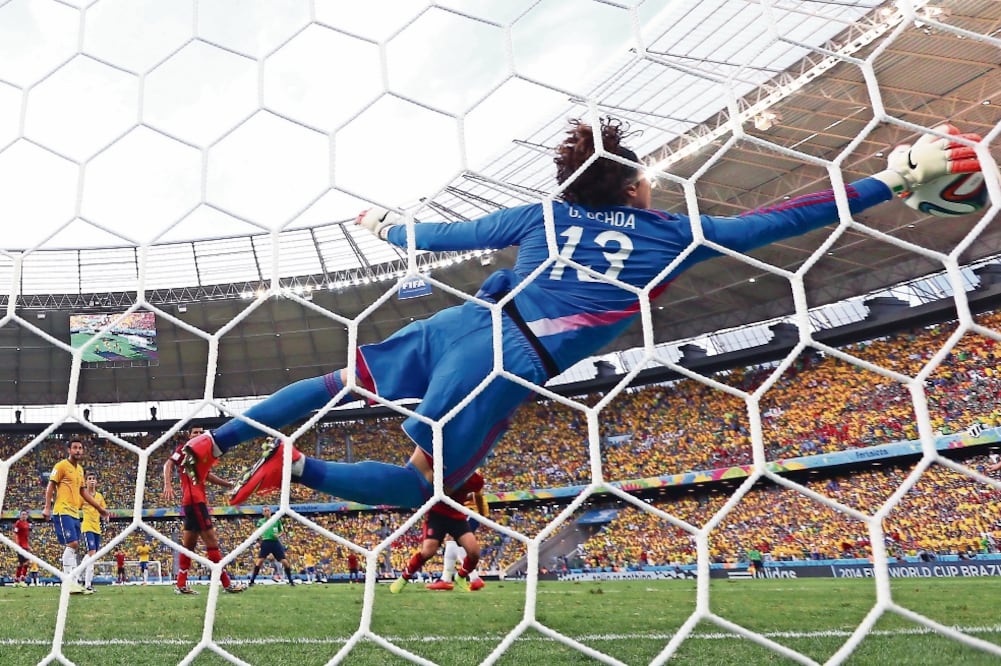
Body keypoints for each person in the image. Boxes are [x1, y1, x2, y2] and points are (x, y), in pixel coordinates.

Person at [180, 119, 983, 509]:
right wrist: (890, 179)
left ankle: (218, 440)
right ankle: (305, 469)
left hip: (459, 325)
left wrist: (380, 226)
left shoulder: (541, 218)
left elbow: (432, 235)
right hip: (508, 358)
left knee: (337, 380)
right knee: (428, 488)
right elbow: (782, 222)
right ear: (632, 186)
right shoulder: (672, 235)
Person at [162, 427, 246, 595]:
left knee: (189, 546)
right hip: (196, 502)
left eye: (201, 433)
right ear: (189, 436)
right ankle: (226, 583)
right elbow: (169, 463)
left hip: (192, 503)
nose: (198, 435)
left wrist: (228, 484)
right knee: (212, 543)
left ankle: (181, 584)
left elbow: (207, 476)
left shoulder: (201, 455)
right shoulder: (185, 449)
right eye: (195, 433)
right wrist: (168, 484)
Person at [390, 470, 486, 593]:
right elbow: (423, 483)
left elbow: (477, 494)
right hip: (436, 515)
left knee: (474, 552)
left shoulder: (474, 478)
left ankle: (461, 576)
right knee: (428, 551)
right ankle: (403, 578)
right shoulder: (442, 470)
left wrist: (482, 516)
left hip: (457, 517)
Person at [42, 438, 110, 594]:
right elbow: (51, 485)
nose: (78, 450)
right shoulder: (60, 466)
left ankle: (73, 582)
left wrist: (100, 508)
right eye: (75, 448)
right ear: (69, 450)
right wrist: (47, 507)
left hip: (73, 512)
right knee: (72, 544)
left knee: (75, 546)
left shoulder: (80, 470)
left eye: (80, 448)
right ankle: (69, 582)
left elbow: (83, 492)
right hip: (62, 510)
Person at [428, 483, 489, 591]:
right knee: (451, 540)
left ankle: (473, 579)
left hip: (470, 511)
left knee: (457, 540)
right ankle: (446, 579)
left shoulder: (467, 474)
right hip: (468, 512)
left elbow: (474, 494)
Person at [247, 506, 295, 586]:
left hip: (275, 542)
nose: (267, 512)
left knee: (285, 562)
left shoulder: (276, 520)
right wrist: (259, 541)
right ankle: (252, 581)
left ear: (270, 511)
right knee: (259, 562)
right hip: (266, 542)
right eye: (265, 511)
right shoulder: (261, 521)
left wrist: (278, 535)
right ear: (263, 513)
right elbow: (257, 532)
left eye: (268, 510)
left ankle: (291, 581)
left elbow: (282, 531)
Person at [80, 472, 107, 593]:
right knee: (92, 555)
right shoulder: (82, 495)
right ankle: (87, 584)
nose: (91, 481)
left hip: (97, 528)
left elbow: (103, 510)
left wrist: (106, 516)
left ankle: (75, 575)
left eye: (93, 479)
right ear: (85, 482)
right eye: (89, 479)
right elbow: (75, 507)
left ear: (97, 482)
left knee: (91, 555)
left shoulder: (100, 496)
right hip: (87, 527)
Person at [13, 510, 31, 588]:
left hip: (25, 546)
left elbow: (26, 536)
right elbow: (15, 533)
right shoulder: (18, 523)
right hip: (20, 546)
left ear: (27, 516)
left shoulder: (27, 524)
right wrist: (16, 544)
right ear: (20, 515)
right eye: (22, 514)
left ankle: (17, 581)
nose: (24, 516)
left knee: (22, 563)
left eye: (25, 514)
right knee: (25, 563)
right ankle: (22, 580)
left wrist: (28, 545)